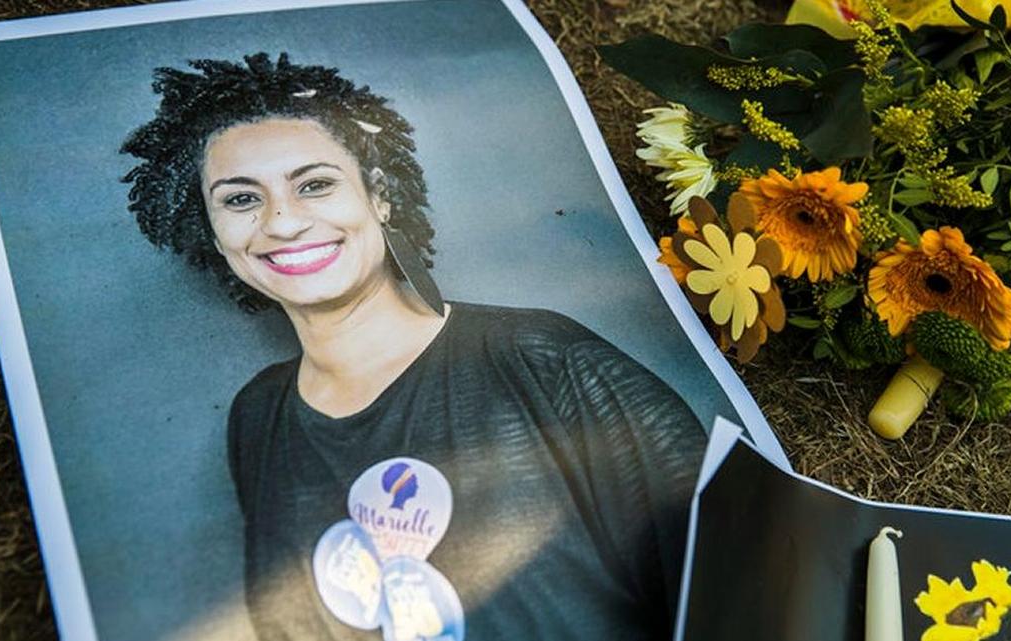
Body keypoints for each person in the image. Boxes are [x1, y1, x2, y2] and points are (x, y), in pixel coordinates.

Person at [122, 52, 706, 641]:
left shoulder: (543, 358)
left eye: (315, 185)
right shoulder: (258, 416)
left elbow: (728, 579)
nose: (283, 222)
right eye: (241, 199)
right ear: (211, 227)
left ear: (379, 195)